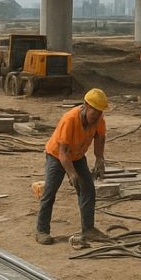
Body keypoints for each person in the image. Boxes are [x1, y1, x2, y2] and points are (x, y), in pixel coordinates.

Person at [35, 87, 110, 246]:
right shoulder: (69, 119)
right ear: (85, 106)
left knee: (88, 189)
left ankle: (88, 229)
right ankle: (42, 231)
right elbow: (63, 153)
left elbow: (99, 139)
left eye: (100, 112)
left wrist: (99, 159)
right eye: (94, 112)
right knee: (50, 191)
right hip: (57, 156)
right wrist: (71, 174)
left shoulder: (99, 120)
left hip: (77, 155)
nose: (97, 116)